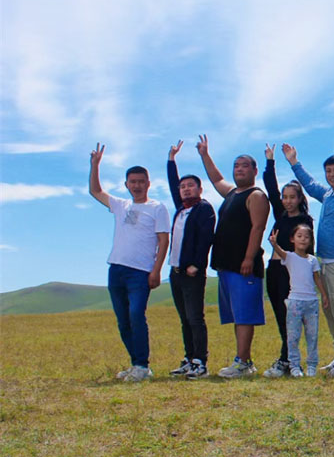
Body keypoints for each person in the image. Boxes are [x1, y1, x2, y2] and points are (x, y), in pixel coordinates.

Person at [89, 143, 170, 382]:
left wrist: (157, 270)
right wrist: (95, 165)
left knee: (136, 315)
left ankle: (143, 366)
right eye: (132, 182)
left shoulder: (157, 207)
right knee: (123, 320)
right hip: (116, 268)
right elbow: (95, 191)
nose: (137, 185)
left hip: (141, 272)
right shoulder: (120, 205)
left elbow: (163, 240)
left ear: (148, 183)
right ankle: (136, 364)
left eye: (141, 181)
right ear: (126, 185)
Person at [284, 144, 334, 376]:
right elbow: (309, 185)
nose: (331, 175)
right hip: (324, 260)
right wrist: (294, 162)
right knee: (330, 310)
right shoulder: (328, 194)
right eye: (328, 171)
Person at [196, 135, 271, 378]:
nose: (239, 170)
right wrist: (205, 155)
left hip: (244, 266)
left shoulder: (256, 195)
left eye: (244, 166)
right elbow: (216, 178)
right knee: (237, 315)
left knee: (245, 314)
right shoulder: (232, 193)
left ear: (254, 170)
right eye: (236, 166)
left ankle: (244, 362)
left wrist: (249, 258)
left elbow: (257, 228)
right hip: (226, 265)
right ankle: (242, 359)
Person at [165, 140, 216, 380]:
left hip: (192, 272)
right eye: (182, 186)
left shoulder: (204, 209)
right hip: (175, 272)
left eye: (190, 186)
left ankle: (200, 362)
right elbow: (172, 182)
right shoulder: (181, 209)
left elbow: (206, 238)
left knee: (196, 317)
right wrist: (171, 159)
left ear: (199, 189)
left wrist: (197, 264)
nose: (185, 189)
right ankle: (188, 358)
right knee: (184, 318)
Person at [262, 144, 314, 378]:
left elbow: (305, 252)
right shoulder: (280, 215)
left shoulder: (305, 221)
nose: (287, 201)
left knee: (289, 318)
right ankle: (287, 359)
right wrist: (270, 162)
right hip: (272, 269)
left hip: (290, 273)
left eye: (292, 197)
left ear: (300, 199)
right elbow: (270, 188)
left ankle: (287, 361)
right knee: (280, 316)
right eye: (285, 197)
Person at [267, 225, 329, 377]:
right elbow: (280, 252)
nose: (303, 239)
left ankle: (312, 366)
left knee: (312, 336)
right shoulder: (289, 257)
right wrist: (274, 244)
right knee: (293, 336)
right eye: (299, 236)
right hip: (295, 302)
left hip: (311, 302)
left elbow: (317, 278)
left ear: (310, 241)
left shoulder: (312, 260)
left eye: (306, 237)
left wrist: (324, 295)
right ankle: (294, 366)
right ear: (292, 239)